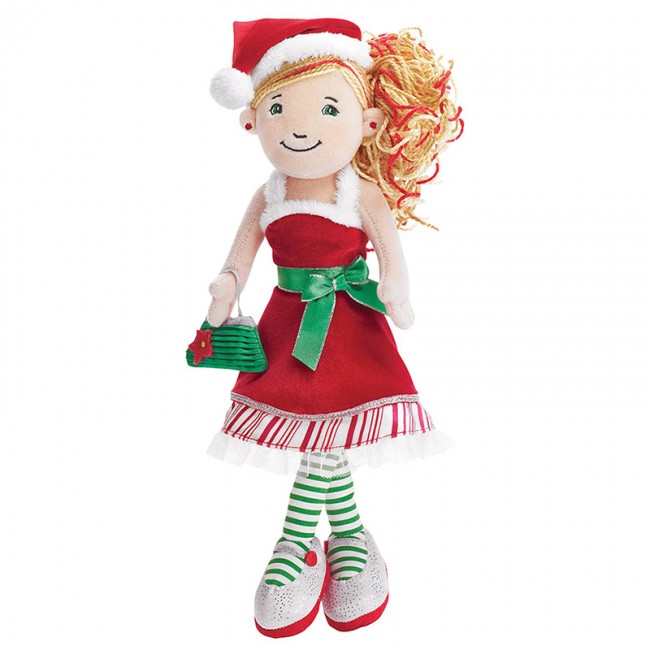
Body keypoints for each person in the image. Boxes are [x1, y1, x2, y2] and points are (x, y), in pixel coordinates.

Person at [203, 17, 463, 637]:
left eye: (328, 108)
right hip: (286, 325)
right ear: (252, 121)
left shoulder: (360, 190)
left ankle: (295, 545)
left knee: (321, 439)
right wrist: (225, 288)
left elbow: (390, 253)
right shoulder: (268, 194)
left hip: (349, 326)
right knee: (321, 440)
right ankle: (349, 536)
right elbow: (240, 257)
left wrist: (396, 292)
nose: (301, 127)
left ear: (366, 122)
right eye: (278, 109)